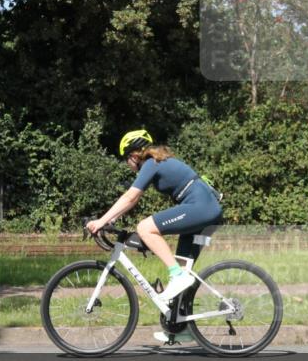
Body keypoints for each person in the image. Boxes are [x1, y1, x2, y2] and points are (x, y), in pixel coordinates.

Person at [85, 129, 223, 342]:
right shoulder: (157, 161)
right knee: (183, 266)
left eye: (126, 160)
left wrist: (102, 221)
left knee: (145, 228)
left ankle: (176, 275)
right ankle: (180, 330)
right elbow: (132, 200)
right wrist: (111, 219)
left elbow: (131, 196)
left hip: (201, 207)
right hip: (205, 208)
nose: (127, 165)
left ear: (134, 155)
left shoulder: (150, 163)